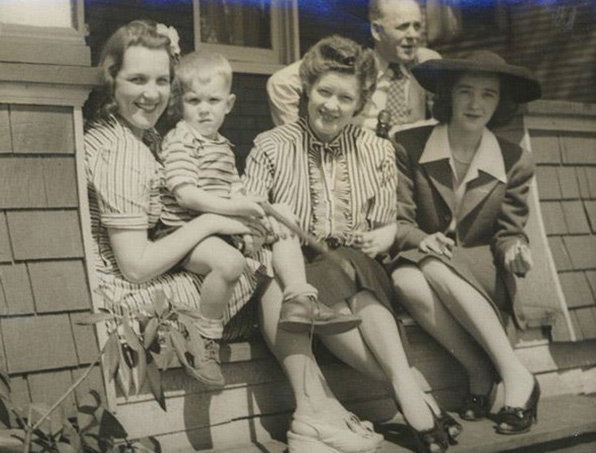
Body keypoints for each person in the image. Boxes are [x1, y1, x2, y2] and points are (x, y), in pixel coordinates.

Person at [84, 21, 383, 453]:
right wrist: (215, 223)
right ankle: (314, 414)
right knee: (266, 272)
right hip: (132, 301)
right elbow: (135, 267)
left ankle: (318, 409)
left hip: (164, 274)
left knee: (274, 262)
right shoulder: (122, 152)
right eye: (137, 79)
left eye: (161, 80)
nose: (152, 93)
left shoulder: (140, 135)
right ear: (112, 78)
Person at [246, 35, 460, 453]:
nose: (331, 105)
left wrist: (385, 234)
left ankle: (405, 387)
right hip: (293, 264)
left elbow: (387, 226)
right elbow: (250, 218)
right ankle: (411, 389)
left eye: (345, 98)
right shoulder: (270, 146)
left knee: (348, 269)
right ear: (306, 88)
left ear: (360, 104)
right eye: (324, 91)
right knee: (322, 281)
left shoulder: (376, 151)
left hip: (355, 266)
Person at [155, 50, 361, 384]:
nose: (204, 109)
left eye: (213, 100)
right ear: (181, 103)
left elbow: (236, 191)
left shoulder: (220, 144)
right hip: (182, 232)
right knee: (229, 264)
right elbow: (185, 194)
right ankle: (202, 338)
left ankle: (299, 297)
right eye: (194, 101)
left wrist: (261, 212)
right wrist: (239, 210)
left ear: (229, 104)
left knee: (282, 214)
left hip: (216, 229)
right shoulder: (181, 139)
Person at [390, 51, 542, 436]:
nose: (476, 104)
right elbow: (399, 221)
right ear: (447, 95)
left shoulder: (516, 161)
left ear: (501, 101)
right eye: (465, 91)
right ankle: (482, 371)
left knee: (431, 265)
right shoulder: (408, 144)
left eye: (488, 94)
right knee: (405, 279)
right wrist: (425, 240)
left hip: (481, 268)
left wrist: (515, 250)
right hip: (422, 257)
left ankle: (514, 374)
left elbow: (509, 231)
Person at [267, 0, 440, 132]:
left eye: (417, 26)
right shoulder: (355, 62)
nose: (413, 35)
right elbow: (280, 84)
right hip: (359, 165)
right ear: (377, 31)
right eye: (403, 27)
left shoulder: (426, 63)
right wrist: (294, 141)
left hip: (408, 170)